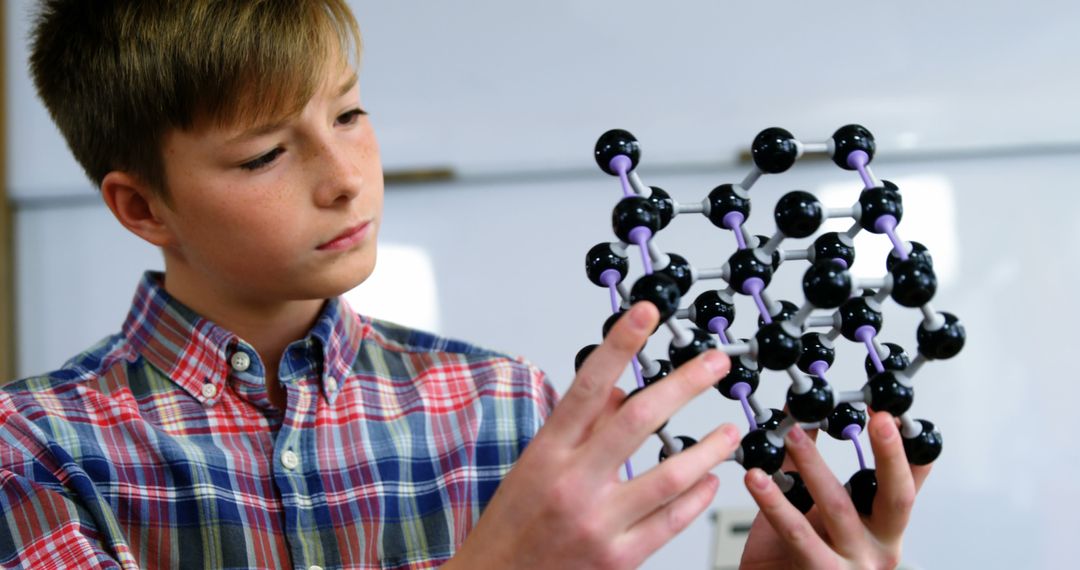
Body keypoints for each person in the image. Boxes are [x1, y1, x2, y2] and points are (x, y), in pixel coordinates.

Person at [0, 1, 931, 568]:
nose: (345, 175)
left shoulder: (500, 401)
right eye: (265, 155)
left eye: (351, 112)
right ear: (143, 207)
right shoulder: (35, 450)